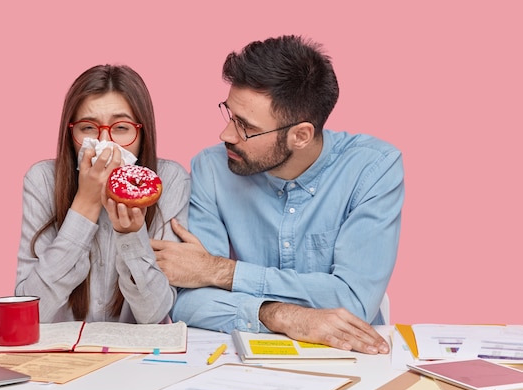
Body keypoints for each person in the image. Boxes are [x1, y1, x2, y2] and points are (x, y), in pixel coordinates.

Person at [152, 35, 404, 354]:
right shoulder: (211, 168)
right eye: (229, 115)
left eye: (246, 126)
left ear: (300, 136)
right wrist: (279, 315)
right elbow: (189, 301)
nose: (226, 135)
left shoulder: (373, 168)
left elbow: (353, 301)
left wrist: (221, 271)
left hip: (350, 352)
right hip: (238, 359)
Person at [15, 65, 190, 324]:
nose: (105, 142)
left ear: (142, 133)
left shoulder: (170, 179)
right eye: (88, 128)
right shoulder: (42, 180)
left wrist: (131, 235)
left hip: (136, 358)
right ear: (70, 133)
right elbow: (29, 312)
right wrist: (84, 206)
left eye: (121, 128)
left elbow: (155, 314)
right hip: (62, 357)